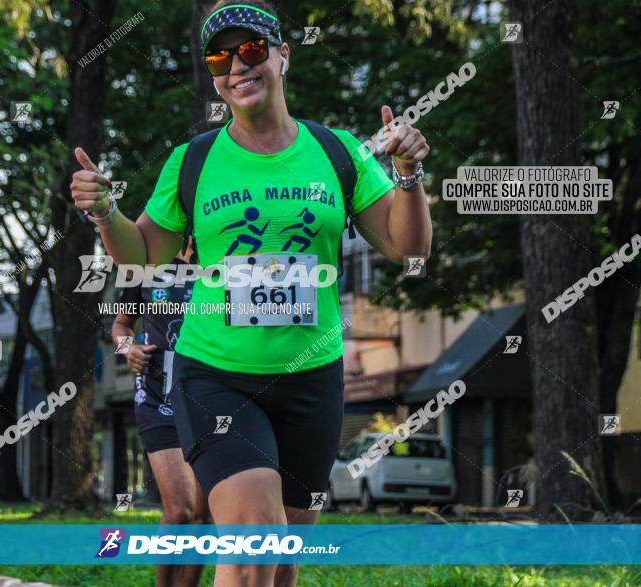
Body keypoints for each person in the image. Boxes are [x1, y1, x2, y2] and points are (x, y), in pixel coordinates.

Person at [71, 1, 432, 584]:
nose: (237, 65)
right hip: (216, 373)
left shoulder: (338, 152)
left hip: (313, 378)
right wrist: (106, 211)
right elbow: (140, 258)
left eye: (252, 50)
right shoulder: (193, 161)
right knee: (254, 542)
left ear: (282, 56)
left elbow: (408, 249)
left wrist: (409, 178)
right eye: (220, 56)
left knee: (283, 557)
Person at [111, 239, 209, 587]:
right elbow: (121, 326)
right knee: (180, 510)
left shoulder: (230, 266)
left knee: (204, 515)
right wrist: (129, 349)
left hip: (214, 400)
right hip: (158, 399)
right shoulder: (147, 266)